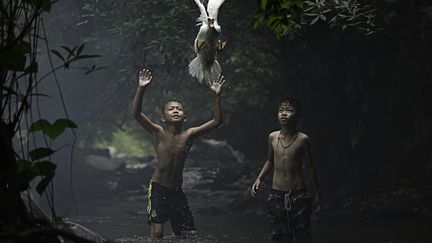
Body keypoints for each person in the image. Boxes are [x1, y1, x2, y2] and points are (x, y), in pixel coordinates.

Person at [132, 68, 226, 239]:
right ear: (163, 117)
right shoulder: (158, 132)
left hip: (177, 191)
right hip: (158, 189)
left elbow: (217, 121)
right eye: (171, 109)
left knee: (187, 235)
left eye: (179, 109)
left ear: (184, 117)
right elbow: (136, 113)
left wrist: (216, 95)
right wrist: (142, 88)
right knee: (157, 231)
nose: (175, 110)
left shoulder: (189, 135)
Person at [251, 98, 321, 242]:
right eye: (281, 110)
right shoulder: (272, 137)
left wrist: (317, 193)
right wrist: (259, 178)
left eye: (289, 111)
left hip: (298, 195)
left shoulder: (303, 139)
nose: (284, 114)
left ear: (298, 116)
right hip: (276, 195)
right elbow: (270, 160)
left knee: (302, 234)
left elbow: (310, 166)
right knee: (278, 236)